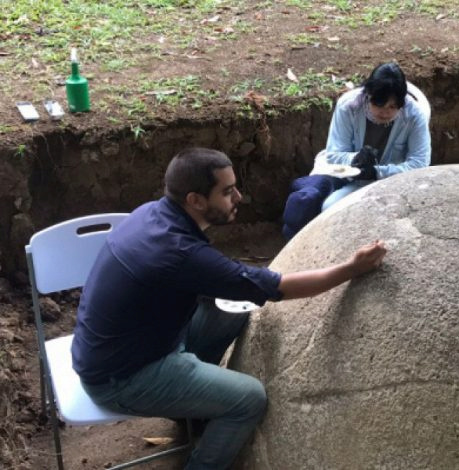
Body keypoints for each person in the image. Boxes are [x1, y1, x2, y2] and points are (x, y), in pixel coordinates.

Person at [71, 147, 387, 470]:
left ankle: (188, 410)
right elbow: (278, 287)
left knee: (232, 310)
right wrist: (351, 269)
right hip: (122, 377)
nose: (239, 196)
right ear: (195, 200)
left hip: (127, 345)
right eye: (227, 191)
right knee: (250, 399)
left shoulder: (151, 214)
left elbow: (209, 282)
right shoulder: (181, 253)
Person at [282, 62, 431, 239]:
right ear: (368, 95)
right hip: (342, 174)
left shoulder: (414, 115)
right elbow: (334, 153)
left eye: (392, 107)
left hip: (391, 181)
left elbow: (420, 164)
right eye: (379, 105)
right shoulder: (349, 106)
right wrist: (356, 160)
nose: (385, 113)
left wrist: (377, 172)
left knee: (331, 207)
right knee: (308, 203)